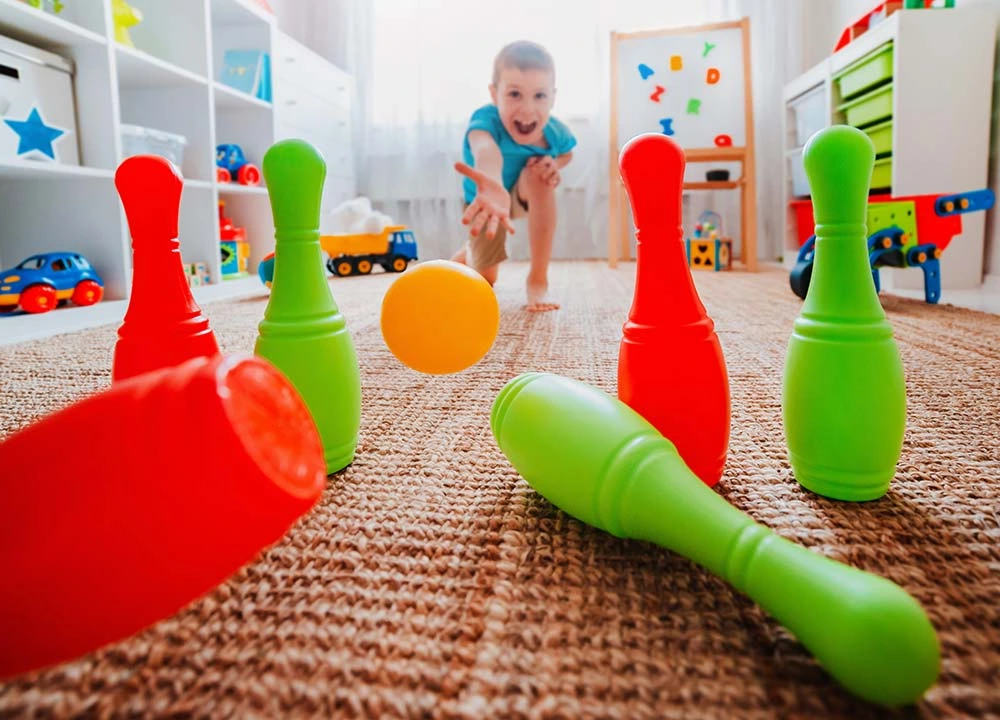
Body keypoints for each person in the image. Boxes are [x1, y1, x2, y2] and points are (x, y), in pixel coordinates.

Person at [451, 40, 576, 312]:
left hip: (522, 192)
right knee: (485, 279)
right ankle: (466, 256)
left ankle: (538, 280)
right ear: (494, 94)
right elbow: (486, 150)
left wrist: (553, 163)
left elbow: (568, 153)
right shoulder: (485, 120)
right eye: (515, 94)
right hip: (487, 203)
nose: (528, 109)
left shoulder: (555, 131)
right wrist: (493, 184)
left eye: (540, 96)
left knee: (538, 173)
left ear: (553, 97)